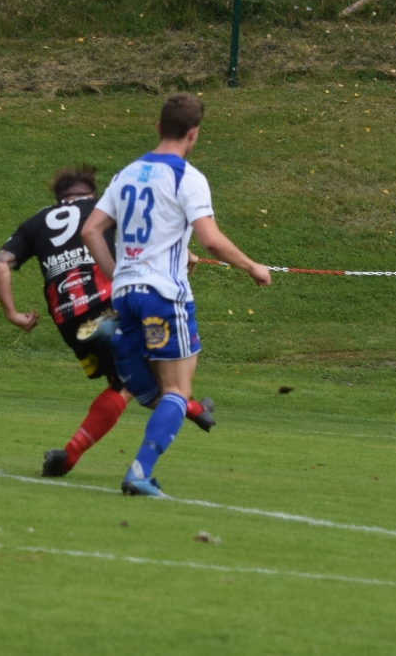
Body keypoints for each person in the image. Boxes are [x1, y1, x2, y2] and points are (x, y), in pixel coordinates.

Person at [82, 94, 271, 497]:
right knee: (178, 392)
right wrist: (252, 266)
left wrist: (119, 275)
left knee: (155, 390)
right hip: (163, 295)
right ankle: (139, 473)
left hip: (126, 294)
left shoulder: (127, 173)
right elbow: (211, 239)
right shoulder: (188, 177)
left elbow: (91, 230)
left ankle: (118, 340)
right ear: (194, 134)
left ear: (158, 127)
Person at [0, 165, 214, 479]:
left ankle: (192, 409)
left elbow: (0, 264)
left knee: (122, 382)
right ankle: (189, 409)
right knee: (148, 384)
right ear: (90, 193)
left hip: (69, 318)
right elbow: (146, 232)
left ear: (59, 198)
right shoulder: (100, 208)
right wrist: (184, 251)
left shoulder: (34, 223)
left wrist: (12, 314)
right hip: (110, 303)